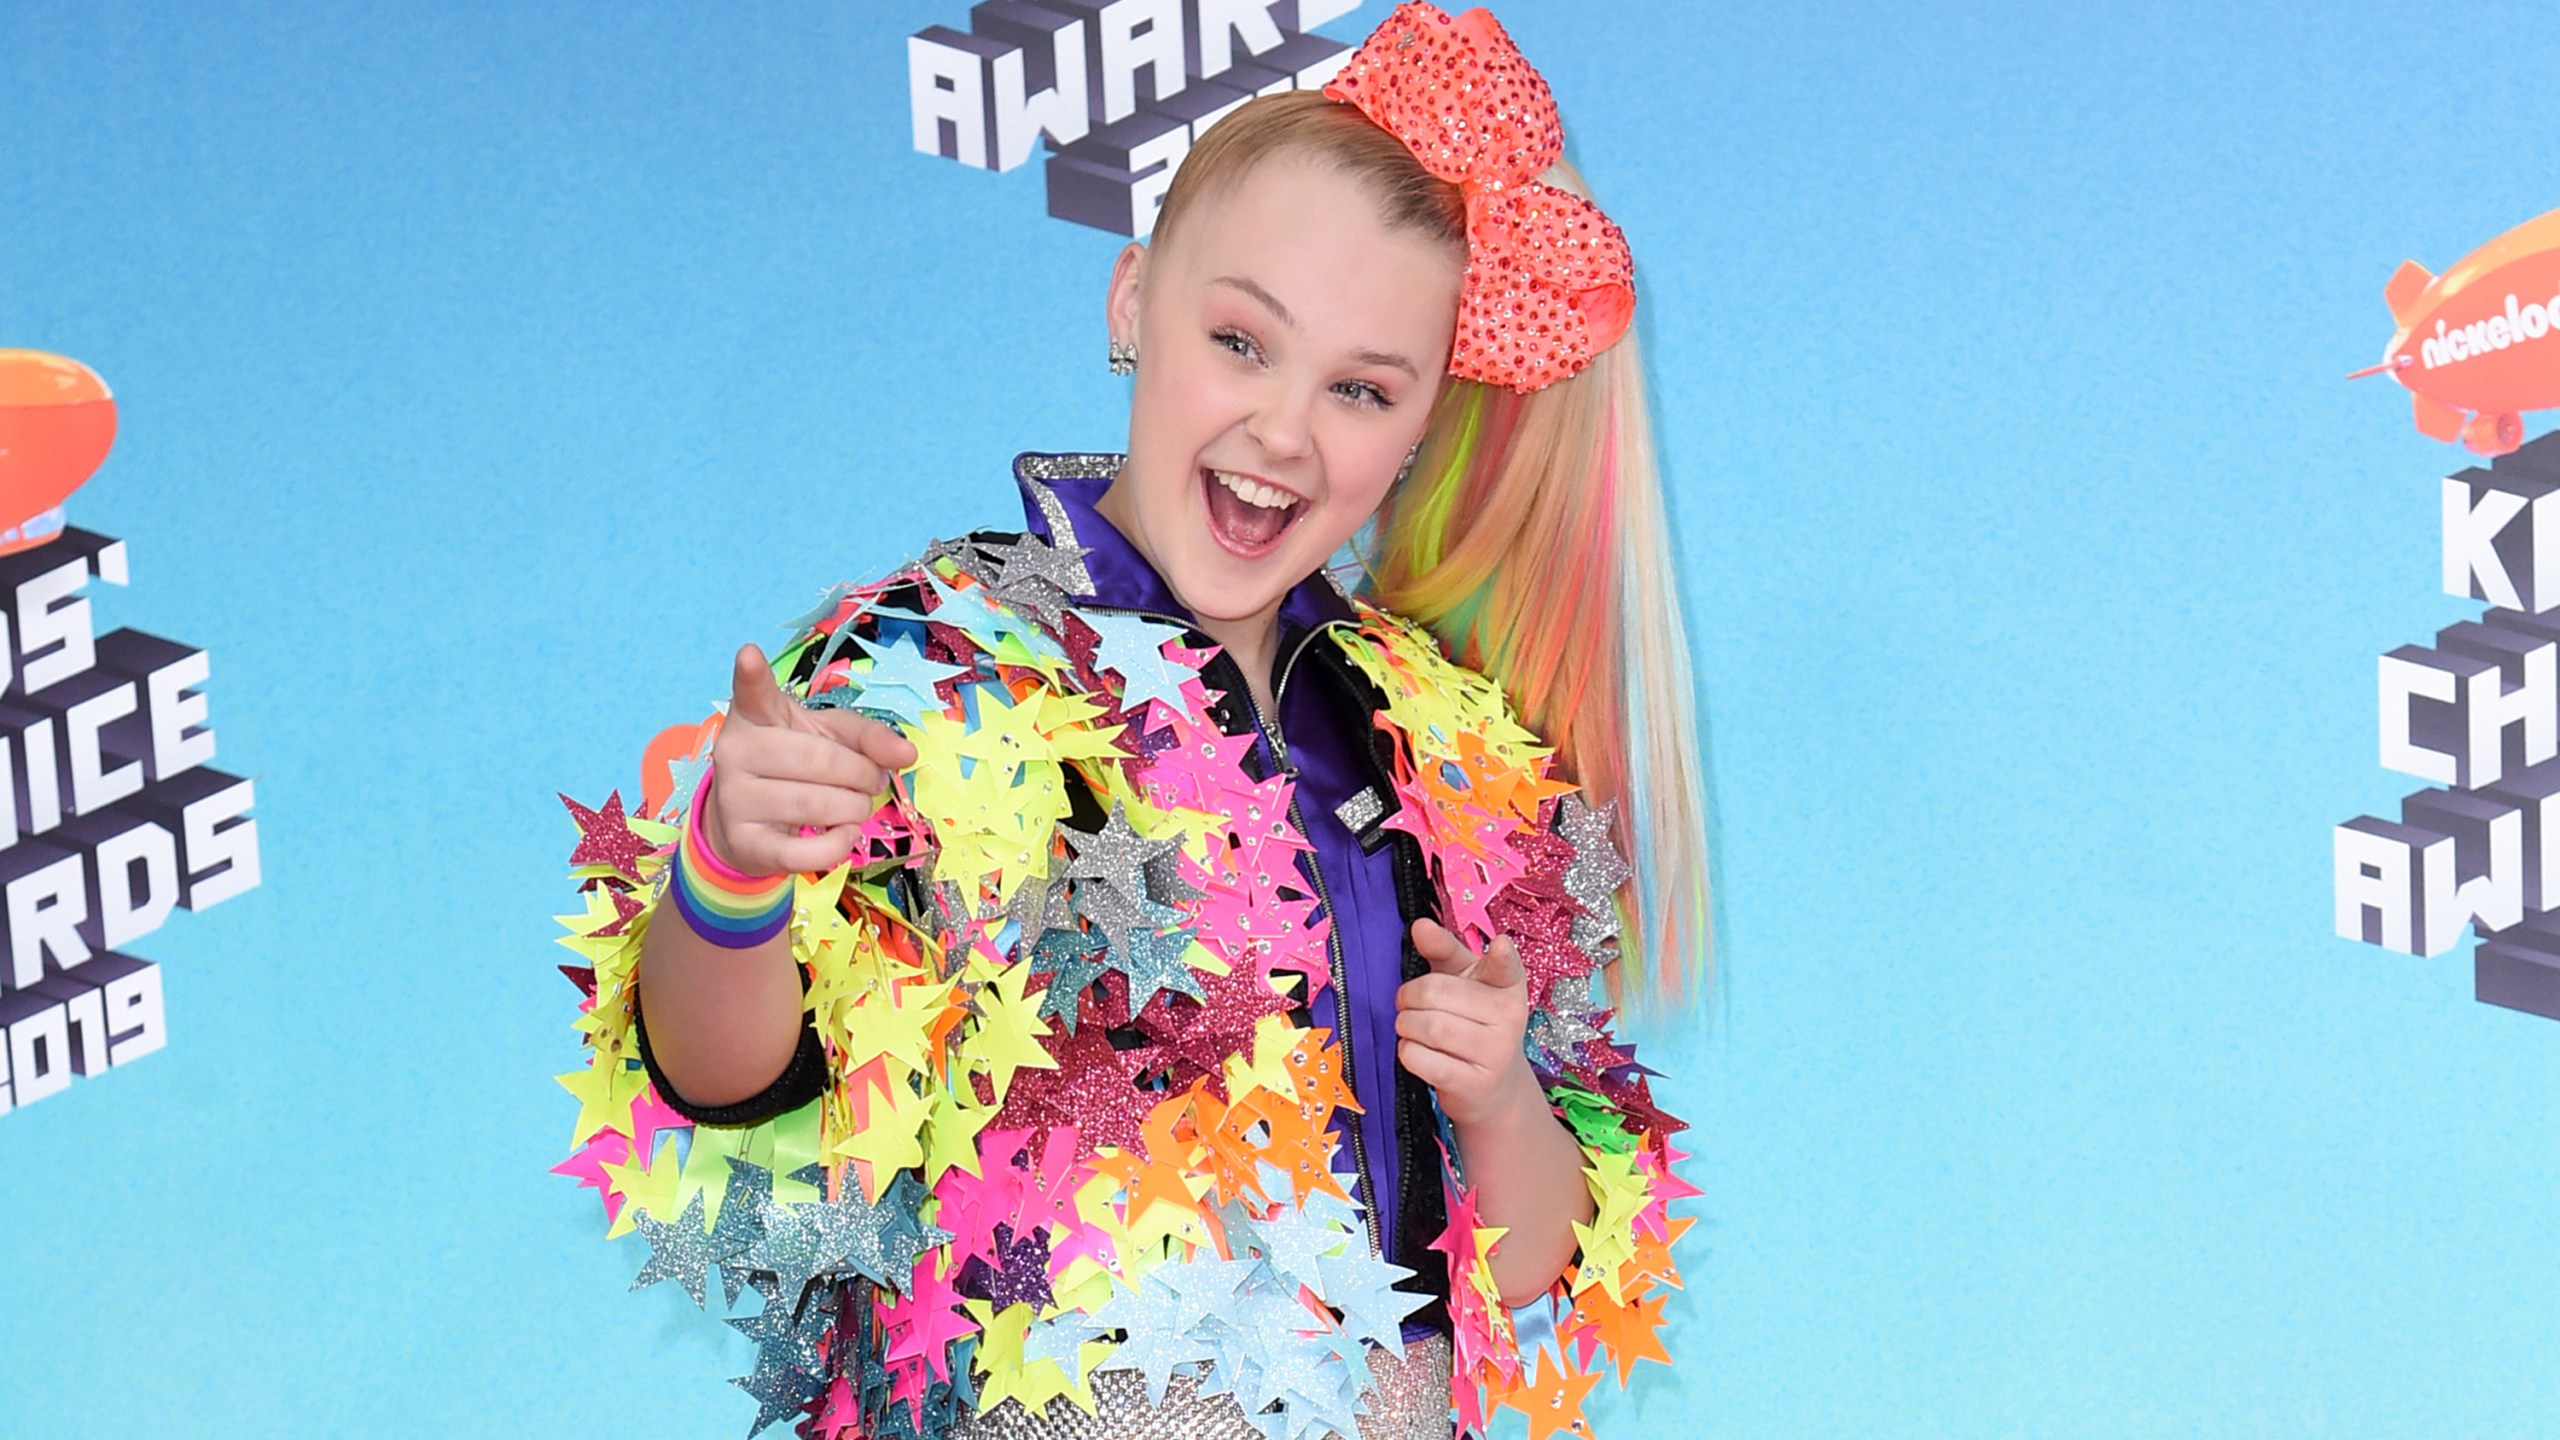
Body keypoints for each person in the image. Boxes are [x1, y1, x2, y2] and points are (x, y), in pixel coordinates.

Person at [549, 6, 1710, 1438]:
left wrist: (1494, 1103)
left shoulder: (1453, 755)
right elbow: (736, 1092)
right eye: (1241, 339)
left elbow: (1532, 1266)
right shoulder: (928, 668)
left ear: (1421, 423)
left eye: (1360, 388)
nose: (1287, 430)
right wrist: (730, 878)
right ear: (1129, 302)